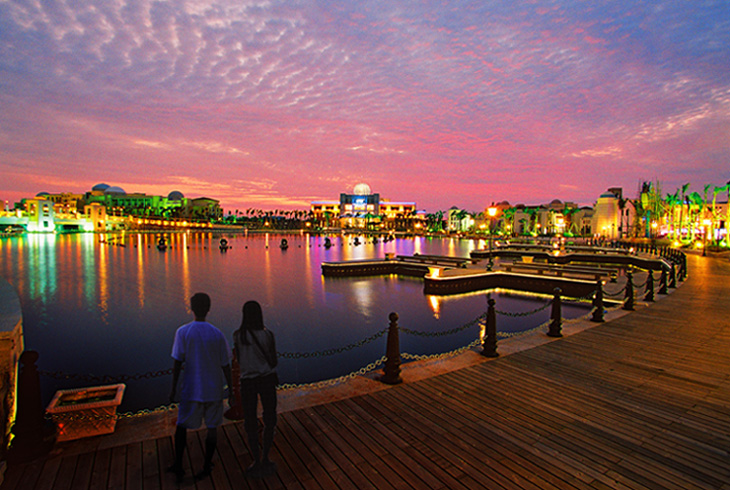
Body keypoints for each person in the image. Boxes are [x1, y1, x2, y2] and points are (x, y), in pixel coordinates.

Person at [168, 293, 232, 483]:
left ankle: (178, 464)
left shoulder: (183, 332)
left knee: (182, 426)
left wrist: (173, 389)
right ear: (209, 309)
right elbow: (225, 365)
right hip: (213, 389)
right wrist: (233, 391)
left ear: (191, 308)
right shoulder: (217, 333)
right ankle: (206, 464)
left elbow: (177, 363)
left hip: (191, 389)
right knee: (212, 428)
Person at [234, 300, 278, 477]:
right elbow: (273, 359)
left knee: (250, 421)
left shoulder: (238, 336)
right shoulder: (268, 335)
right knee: (270, 418)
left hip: (248, 382)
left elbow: (238, 359)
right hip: (266, 379)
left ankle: (256, 459)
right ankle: (266, 456)